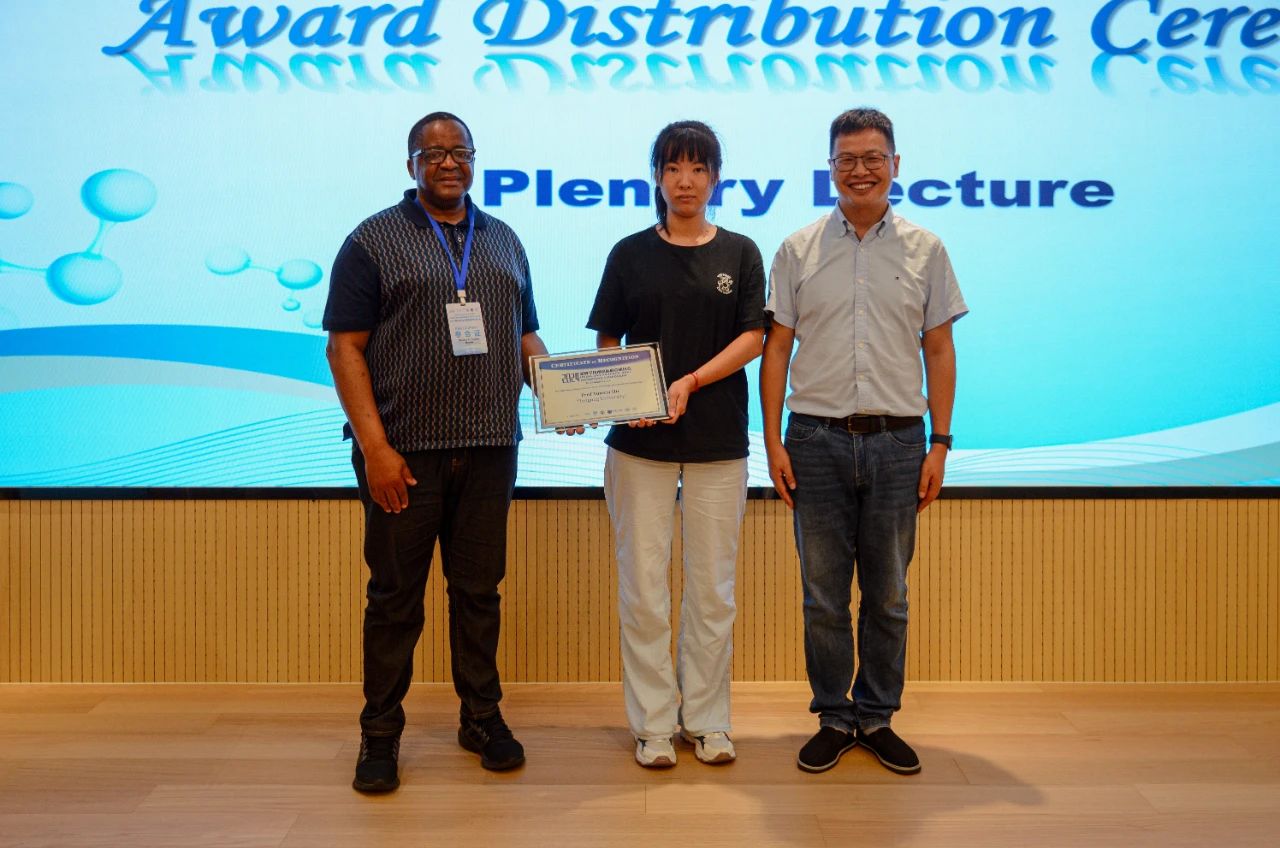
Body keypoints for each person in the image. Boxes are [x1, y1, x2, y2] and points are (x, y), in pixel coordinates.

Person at [323, 111, 547, 792]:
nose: (449, 162)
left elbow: (525, 338)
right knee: (395, 599)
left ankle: (481, 718)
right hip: (404, 456)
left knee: (479, 593)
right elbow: (344, 348)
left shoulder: (503, 239)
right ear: (411, 164)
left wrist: (564, 395)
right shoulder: (371, 241)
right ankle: (379, 733)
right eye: (434, 152)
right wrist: (375, 448)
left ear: (474, 160)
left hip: (489, 449)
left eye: (460, 151)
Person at [760, 107, 967, 776]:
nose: (860, 170)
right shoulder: (795, 249)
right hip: (814, 440)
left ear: (895, 165)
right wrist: (773, 441)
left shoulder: (927, 249)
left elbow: (939, 348)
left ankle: (876, 716)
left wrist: (941, 443)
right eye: (847, 159)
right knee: (822, 595)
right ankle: (833, 715)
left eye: (873, 157)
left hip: (899, 443)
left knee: (888, 595)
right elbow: (776, 349)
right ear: (830, 169)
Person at [585, 120, 766, 768]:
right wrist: (620, 396)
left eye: (697, 168)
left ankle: (708, 721)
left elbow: (754, 337)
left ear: (715, 178)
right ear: (657, 177)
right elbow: (608, 341)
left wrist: (689, 381)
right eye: (672, 168)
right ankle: (654, 725)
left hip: (718, 441)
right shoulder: (629, 253)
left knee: (713, 589)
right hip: (639, 446)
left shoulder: (741, 252)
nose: (685, 181)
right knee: (643, 588)